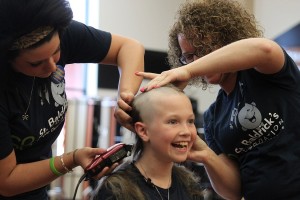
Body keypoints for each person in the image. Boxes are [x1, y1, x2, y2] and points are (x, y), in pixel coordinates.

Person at [135, 0, 300, 199]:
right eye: (188, 56)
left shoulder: (267, 74)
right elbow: (233, 192)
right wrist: (206, 155)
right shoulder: (214, 117)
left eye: (204, 50)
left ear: (228, 42)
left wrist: (186, 70)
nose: (197, 61)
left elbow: (265, 49)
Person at [0, 0, 144, 199]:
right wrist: (71, 159)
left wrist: (126, 96)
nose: (52, 68)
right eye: (36, 63)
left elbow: (130, 47)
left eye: (57, 52)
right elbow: (7, 181)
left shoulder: (58, 31)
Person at [93, 85, 203, 200]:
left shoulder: (190, 185)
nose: (186, 132)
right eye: (173, 122)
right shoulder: (117, 190)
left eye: (190, 121)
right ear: (143, 131)